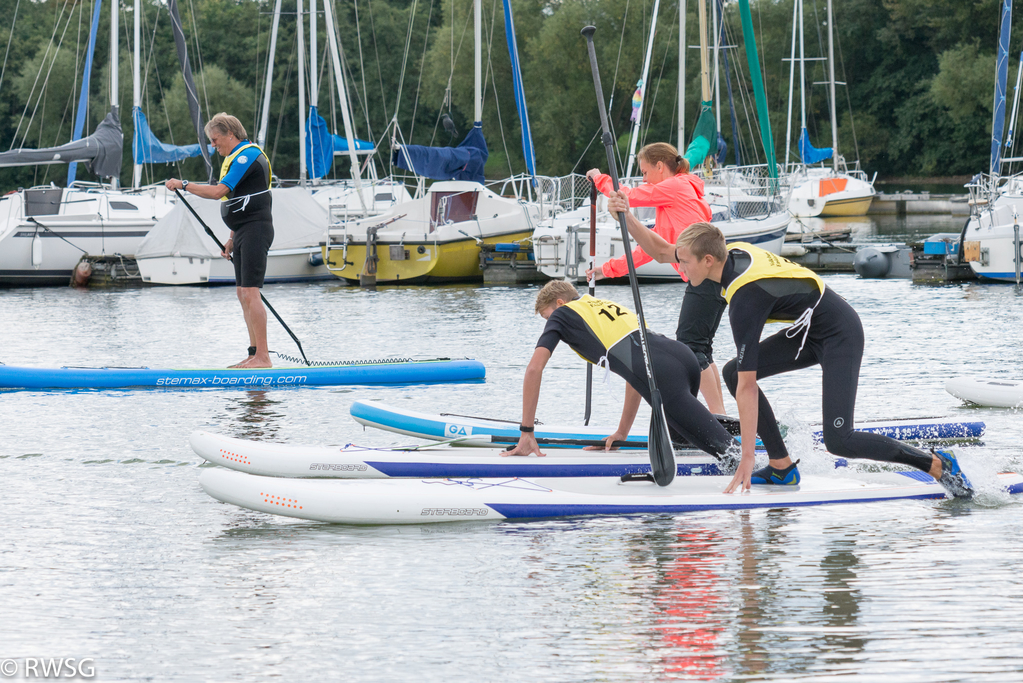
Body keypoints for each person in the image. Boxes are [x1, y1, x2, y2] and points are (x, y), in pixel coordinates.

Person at [608, 205, 973, 499]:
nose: (678, 266)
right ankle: (782, 466)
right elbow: (659, 248)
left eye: (683, 262)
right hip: (807, 332)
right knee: (733, 372)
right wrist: (626, 216)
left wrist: (747, 455)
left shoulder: (745, 297)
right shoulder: (720, 251)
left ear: (706, 261)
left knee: (839, 439)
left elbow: (749, 389)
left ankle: (936, 464)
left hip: (840, 333)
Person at [504, 280, 741, 475]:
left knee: (732, 456)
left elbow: (534, 369)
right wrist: (622, 432)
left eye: (547, 318)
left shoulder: (563, 313)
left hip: (662, 373)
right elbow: (636, 375)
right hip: (679, 357)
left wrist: (526, 432)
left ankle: (761, 468)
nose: (549, 324)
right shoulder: (600, 305)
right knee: (679, 435)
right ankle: (753, 429)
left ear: (559, 302)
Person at [585, 142, 726, 415]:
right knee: (700, 350)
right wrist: (606, 270)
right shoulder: (669, 204)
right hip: (704, 278)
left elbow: (626, 196)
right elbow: (646, 252)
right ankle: (720, 417)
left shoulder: (677, 187)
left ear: (660, 167)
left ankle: (717, 419)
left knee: (693, 349)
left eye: (646, 172)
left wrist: (598, 177)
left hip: (707, 276)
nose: (644, 178)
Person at [166, 113, 274, 369]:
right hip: (243, 231)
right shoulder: (234, 159)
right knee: (242, 293)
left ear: (230, 134)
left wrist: (183, 184)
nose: (213, 146)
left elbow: (218, 193)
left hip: (256, 230)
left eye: (215, 140)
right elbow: (240, 200)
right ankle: (253, 353)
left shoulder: (246, 156)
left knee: (250, 292)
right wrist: (231, 238)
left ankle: (264, 357)